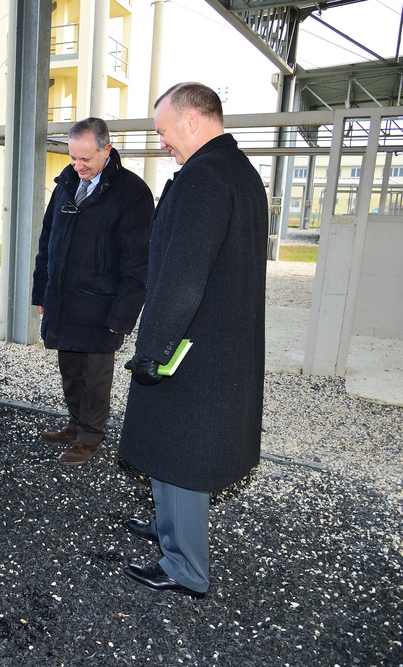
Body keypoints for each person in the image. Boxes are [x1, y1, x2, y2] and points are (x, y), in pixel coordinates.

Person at [118, 82, 268, 598]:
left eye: (163, 132)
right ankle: (168, 532)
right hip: (221, 344)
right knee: (171, 447)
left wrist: (152, 349)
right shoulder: (240, 172)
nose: (162, 143)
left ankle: (184, 566)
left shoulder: (203, 180)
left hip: (191, 349)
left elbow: (183, 277)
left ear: (191, 120)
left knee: (181, 454)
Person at [31, 117, 153, 466]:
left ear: (107, 150)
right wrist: (42, 292)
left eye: (85, 159)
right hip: (64, 301)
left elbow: (138, 262)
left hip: (101, 307)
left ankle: (91, 435)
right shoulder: (66, 185)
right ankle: (75, 424)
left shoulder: (132, 193)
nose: (78, 166)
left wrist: (123, 314)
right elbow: (47, 243)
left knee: (95, 377)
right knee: (69, 369)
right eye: (72, 158)